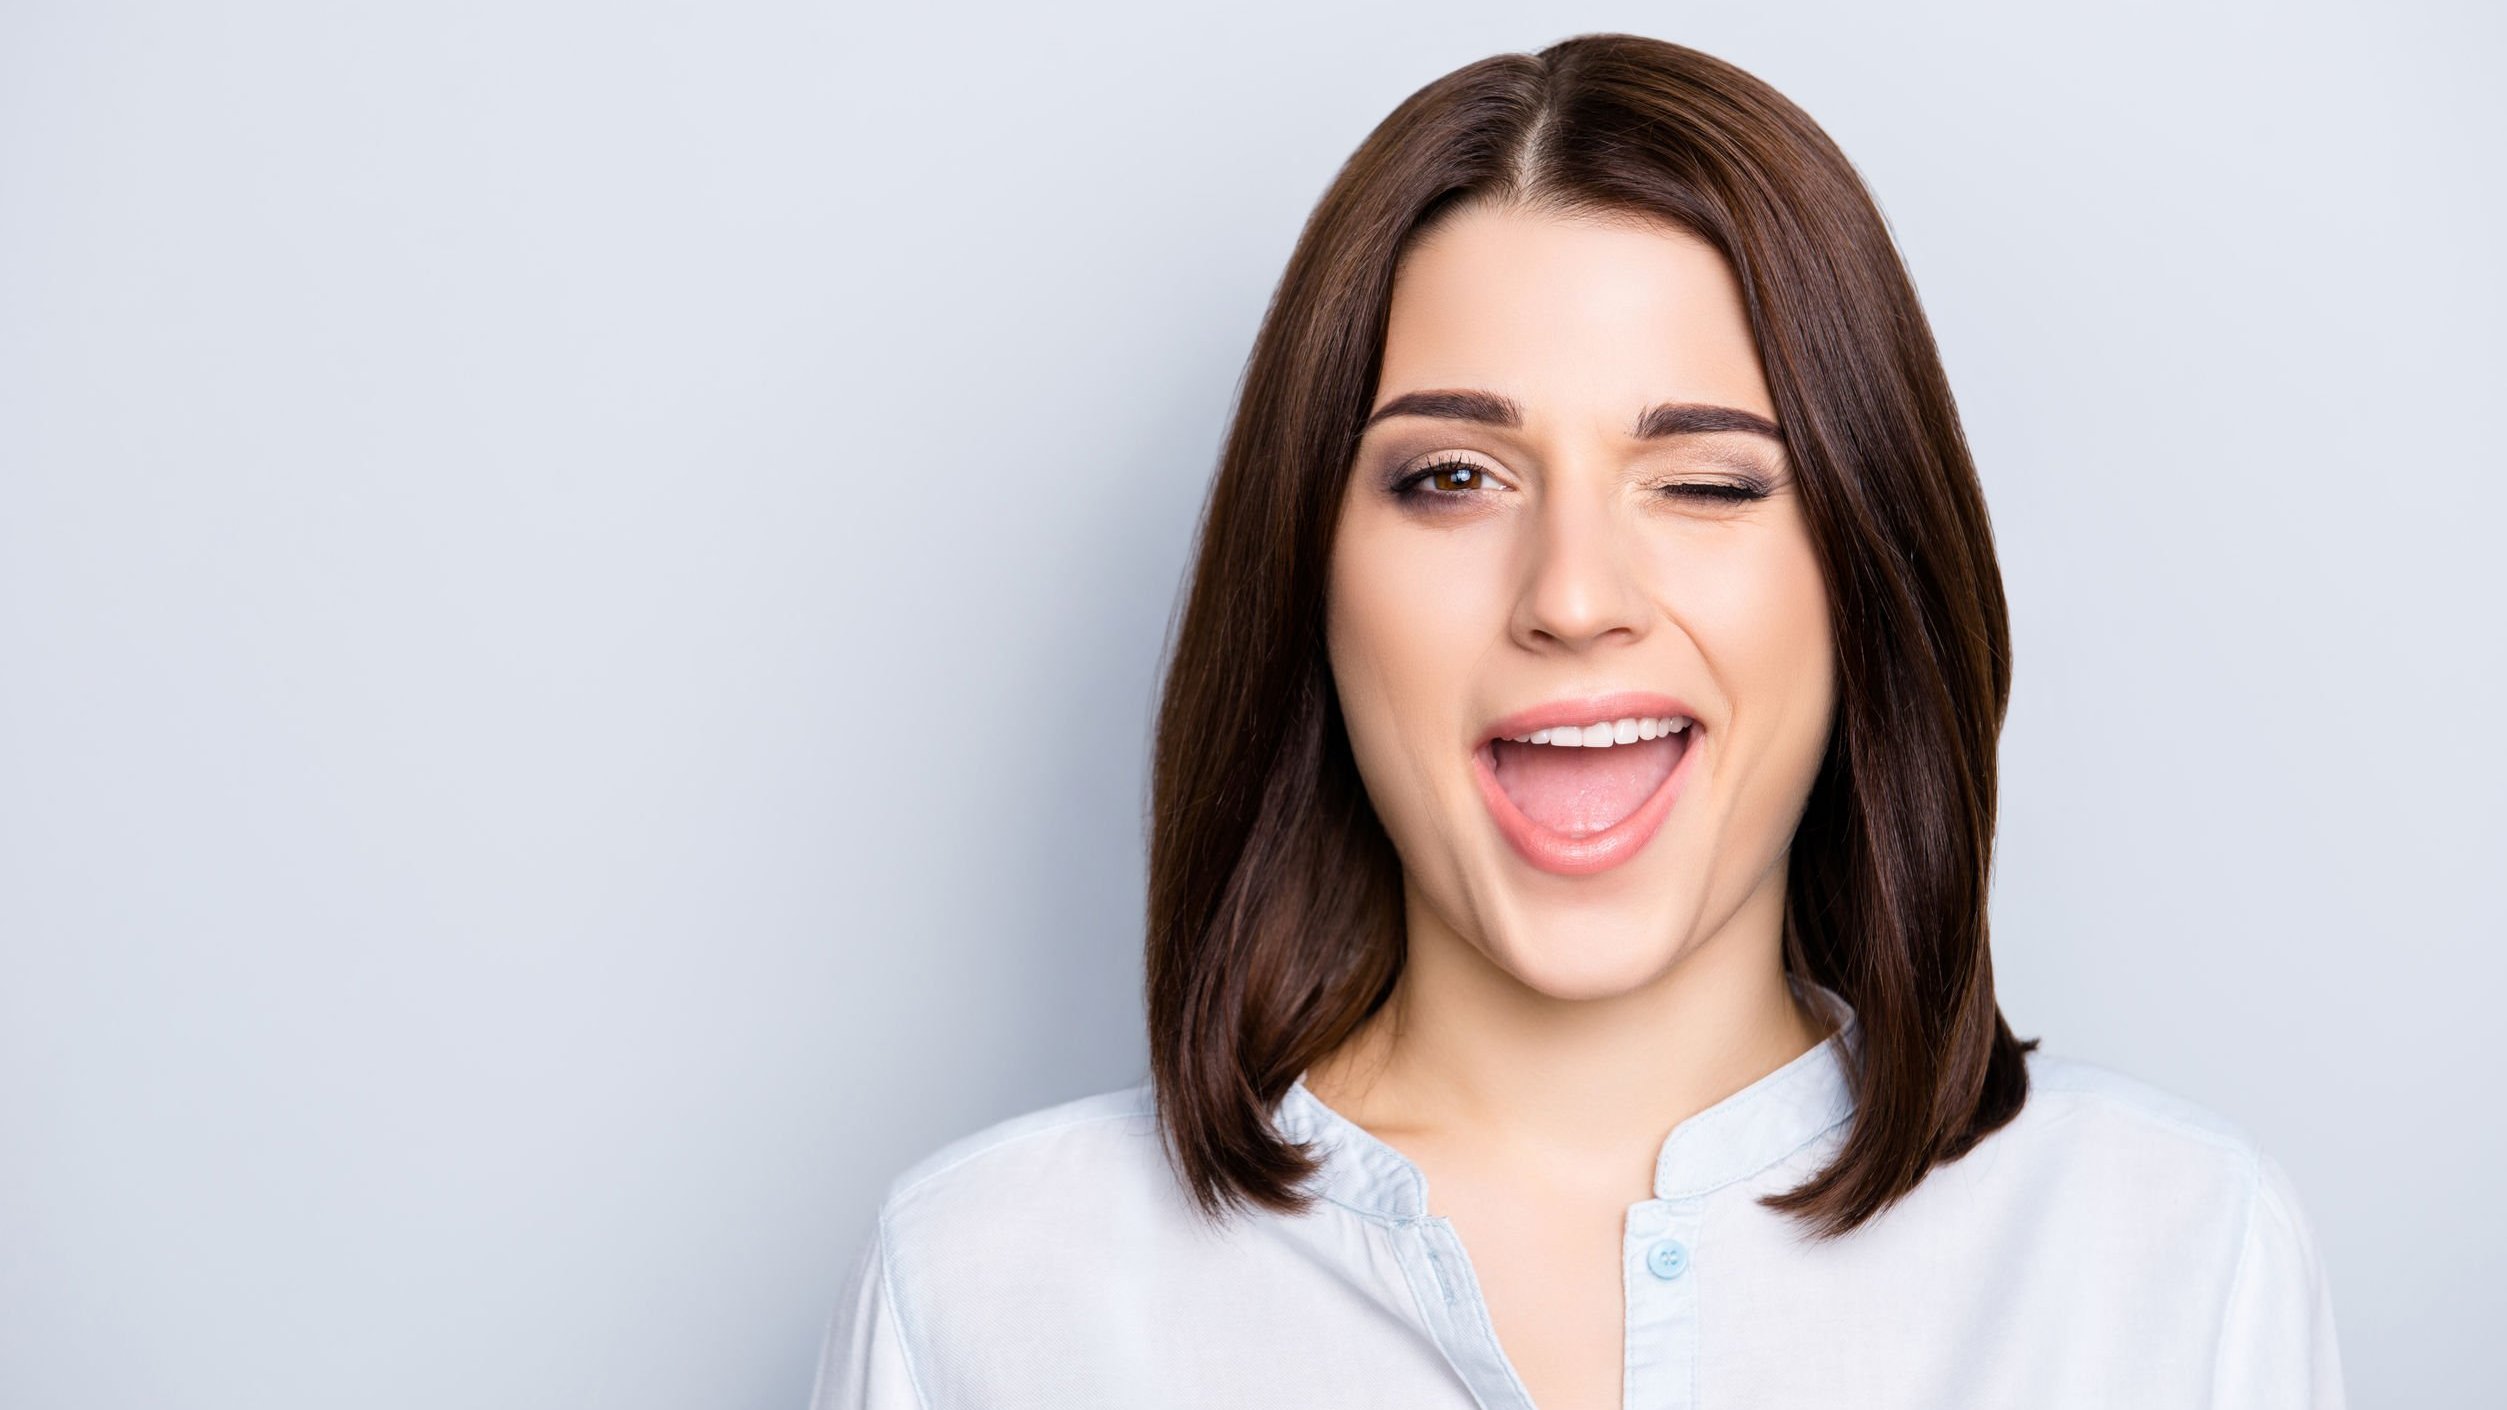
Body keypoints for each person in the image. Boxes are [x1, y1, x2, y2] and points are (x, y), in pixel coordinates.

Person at [808, 32, 2343, 1410]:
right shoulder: (987, 1293)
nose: (1574, 592)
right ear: (1311, 580)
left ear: (1868, 575)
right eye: (1453, 476)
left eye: (1708, 481)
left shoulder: (2169, 1263)